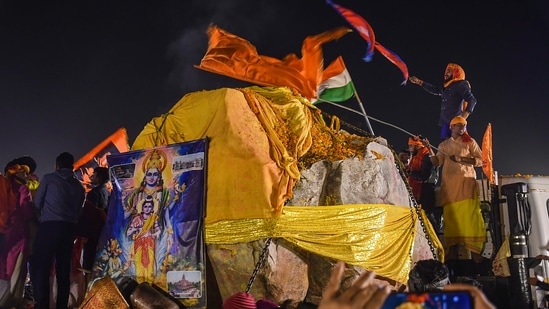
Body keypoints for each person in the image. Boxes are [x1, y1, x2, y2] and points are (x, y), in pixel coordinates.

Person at [422, 116, 486, 263]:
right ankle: (451, 252)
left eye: (464, 125)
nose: (462, 127)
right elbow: (437, 163)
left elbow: (481, 160)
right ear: (451, 127)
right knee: (452, 220)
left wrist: (461, 159)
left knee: (471, 218)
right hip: (450, 188)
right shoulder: (444, 145)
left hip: (466, 185)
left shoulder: (470, 142)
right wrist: (429, 148)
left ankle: (475, 252)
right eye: (458, 125)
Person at [31, 152, 86, 309]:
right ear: (72, 166)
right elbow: (79, 211)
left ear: (57, 165)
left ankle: (42, 305)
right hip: (68, 229)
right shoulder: (79, 186)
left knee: (42, 267)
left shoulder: (49, 178)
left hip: (49, 227)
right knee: (63, 270)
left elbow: (37, 202)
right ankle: (61, 306)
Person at [0, 163, 37, 308]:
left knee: (5, 264)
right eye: (24, 173)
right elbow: (26, 211)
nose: (27, 176)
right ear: (17, 173)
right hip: (19, 232)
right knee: (17, 265)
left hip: (6, 231)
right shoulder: (23, 188)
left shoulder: (5, 187)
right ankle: (11, 299)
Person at [409, 63, 477, 140]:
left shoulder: (460, 84)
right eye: (445, 71)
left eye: (449, 71)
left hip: (456, 123)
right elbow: (434, 89)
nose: (445, 73)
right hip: (445, 123)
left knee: (458, 146)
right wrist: (419, 82)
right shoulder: (446, 87)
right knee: (446, 147)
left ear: (456, 72)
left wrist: (462, 118)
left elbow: (472, 100)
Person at [407, 136, 440, 233]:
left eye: (410, 146)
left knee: (428, 216)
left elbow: (424, 175)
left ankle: (436, 240)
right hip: (420, 189)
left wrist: (410, 173)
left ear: (417, 146)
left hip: (426, 190)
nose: (409, 148)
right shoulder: (415, 157)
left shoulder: (426, 155)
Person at [126, 196, 160, 283]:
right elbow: (128, 233)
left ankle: (149, 287)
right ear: (142, 208)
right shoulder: (137, 219)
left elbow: (158, 231)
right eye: (145, 206)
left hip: (149, 244)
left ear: (152, 208)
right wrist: (135, 228)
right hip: (138, 245)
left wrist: (153, 234)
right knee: (139, 266)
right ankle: (140, 285)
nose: (147, 209)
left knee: (149, 266)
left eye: (149, 207)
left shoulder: (153, 218)